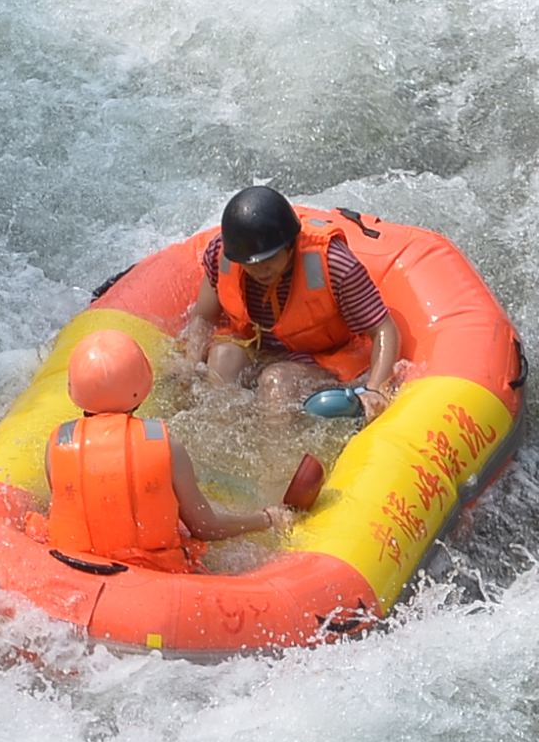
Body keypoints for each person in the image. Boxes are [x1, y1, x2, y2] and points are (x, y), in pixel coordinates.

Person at [44, 329, 288, 573]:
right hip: (152, 573)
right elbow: (207, 528)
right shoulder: (166, 445)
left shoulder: (58, 443)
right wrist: (266, 518)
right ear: (143, 385)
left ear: (73, 390)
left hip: (75, 567)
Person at [180, 185, 404, 413]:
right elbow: (203, 318)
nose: (260, 270)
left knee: (277, 381)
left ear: (290, 245)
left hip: (320, 360)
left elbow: (384, 329)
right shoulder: (225, 254)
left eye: (269, 259)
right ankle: (219, 431)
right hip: (259, 349)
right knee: (222, 358)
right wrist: (190, 364)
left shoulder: (335, 265)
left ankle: (274, 438)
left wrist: (375, 390)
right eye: (251, 263)